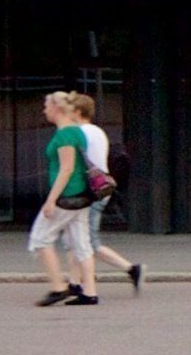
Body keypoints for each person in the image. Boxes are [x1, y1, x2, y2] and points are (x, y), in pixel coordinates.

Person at [28, 89, 105, 306]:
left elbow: (67, 168)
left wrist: (51, 199)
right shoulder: (78, 132)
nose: (44, 111)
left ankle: (58, 286)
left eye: (46, 106)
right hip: (82, 195)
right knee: (81, 244)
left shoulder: (64, 135)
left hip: (67, 196)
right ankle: (89, 292)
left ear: (57, 108)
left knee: (40, 239)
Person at [66, 90, 142, 297]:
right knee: (76, 237)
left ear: (78, 111)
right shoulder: (98, 132)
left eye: (70, 109)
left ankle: (130, 269)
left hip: (89, 193)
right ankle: (74, 282)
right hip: (101, 188)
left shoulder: (80, 133)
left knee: (88, 241)